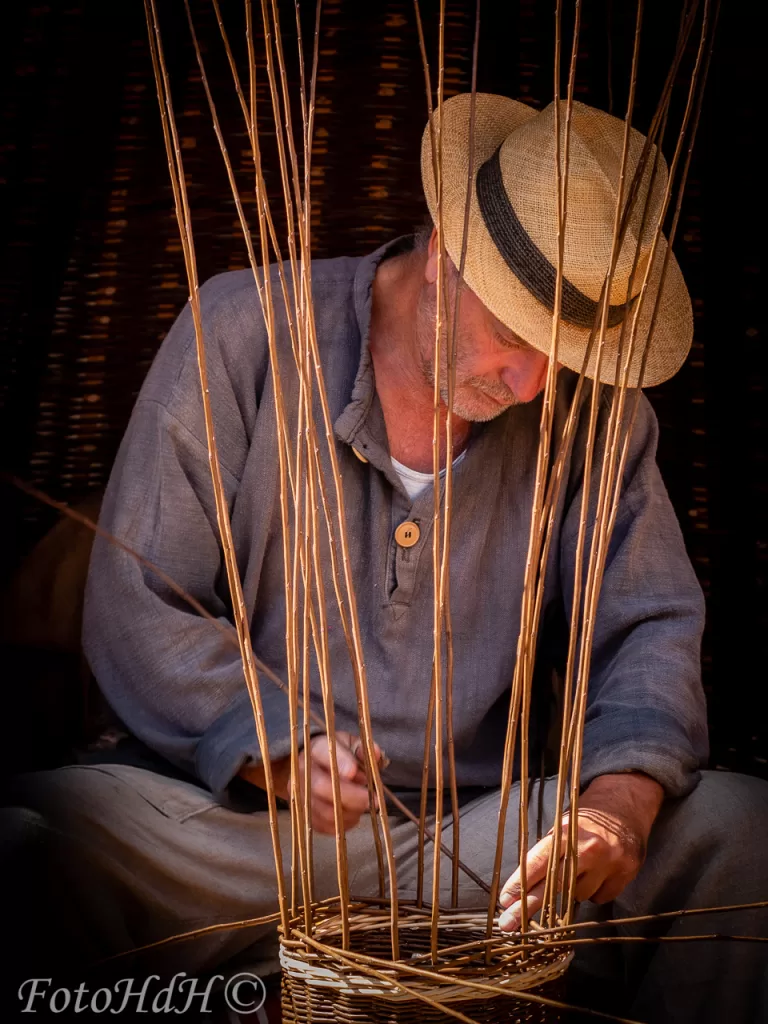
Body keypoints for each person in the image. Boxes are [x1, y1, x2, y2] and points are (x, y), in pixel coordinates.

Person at [9, 94, 767, 1023]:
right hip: (233, 837)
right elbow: (139, 610)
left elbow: (648, 626)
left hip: (486, 846)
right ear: (446, 253)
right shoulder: (243, 333)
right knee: (33, 839)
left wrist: (615, 805)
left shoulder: (597, 417)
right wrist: (277, 752)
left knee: (739, 834)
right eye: (516, 335)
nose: (530, 382)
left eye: (564, 355)